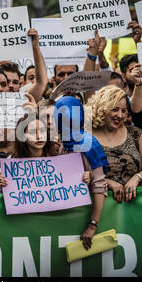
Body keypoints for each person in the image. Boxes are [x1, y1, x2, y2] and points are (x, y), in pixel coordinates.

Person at [54, 96, 109, 250]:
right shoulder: (63, 145)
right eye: (61, 116)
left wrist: (92, 225)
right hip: (70, 217)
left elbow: (99, 186)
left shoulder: (89, 144)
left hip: (87, 217)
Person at [87, 85, 142, 203]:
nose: (120, 115)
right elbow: (79, 174)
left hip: (137, 205)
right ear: (102, 108)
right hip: (101, 207)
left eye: (124, 110)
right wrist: (107, 183)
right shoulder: (85, 136)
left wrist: (137, 178)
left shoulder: (134, 133)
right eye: (115, 109)